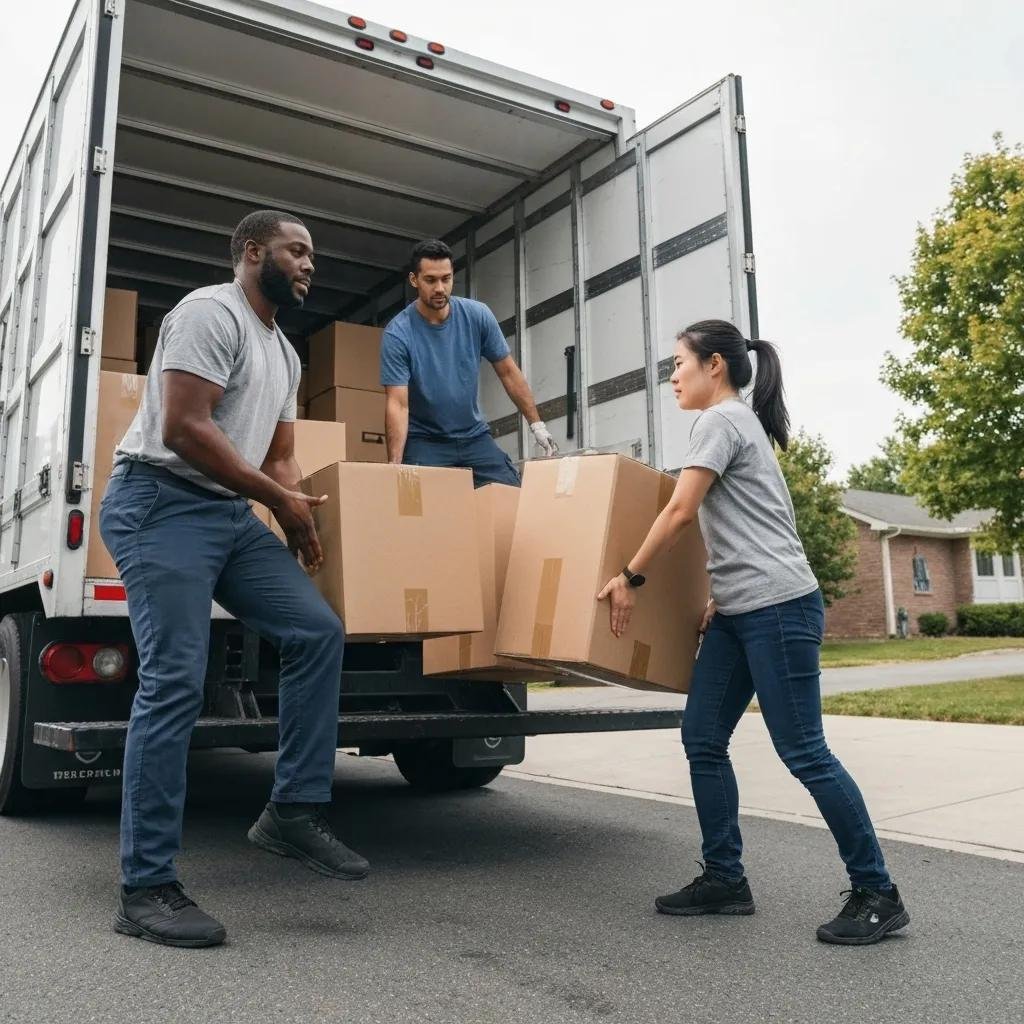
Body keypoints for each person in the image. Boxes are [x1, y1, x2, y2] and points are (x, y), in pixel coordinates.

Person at [101, 210, 368, 950]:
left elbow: (280, 455)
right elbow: (187, 426)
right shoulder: (207, 313)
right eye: (297, 250)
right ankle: (145, 888)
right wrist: (273, 496)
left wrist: (296, 513)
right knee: (176, 679)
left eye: (313, 253)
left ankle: (292, 811)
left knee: (316, 632)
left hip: (226, 513)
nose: (311, 264)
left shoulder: (284, 351)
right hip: (158, 502)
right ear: (254, 252)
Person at [597, 319, 910, 946]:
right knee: (703, 736)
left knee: (804, 752)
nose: (673, 375)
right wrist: (721, 593)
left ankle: (878, 891)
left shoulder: (721, 421)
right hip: (740, 613)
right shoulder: (739, 425)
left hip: (779, 608)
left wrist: (630, 575)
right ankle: (725, 878)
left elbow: (683, 510)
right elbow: (755, 522)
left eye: (678, 363)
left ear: (714, 365)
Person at [381, 238, 558, 487]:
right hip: (426, 443)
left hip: (474, 437)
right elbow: (398, 404)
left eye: (446, 278)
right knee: (416, 509)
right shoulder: (398, 333)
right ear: (414, 280)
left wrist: (537, 424)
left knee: (511, 498)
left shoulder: (478, 315)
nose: (440, 288)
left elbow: (508, 372)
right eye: (430, 280)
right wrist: (396, 464)